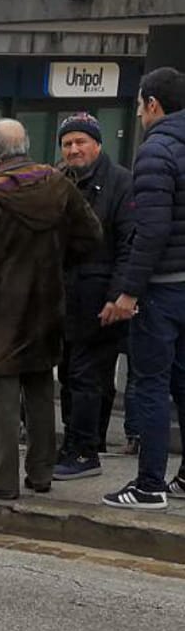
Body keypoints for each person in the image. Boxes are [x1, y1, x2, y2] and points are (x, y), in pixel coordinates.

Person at [0, 120, 101, 500]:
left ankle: (1, 477)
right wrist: (55, 263)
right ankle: (41, 471)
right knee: (39, 388)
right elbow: (91, 235)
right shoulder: (58, 184)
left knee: (1, 395)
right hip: (45, 304)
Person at [102, 67, 185, 510]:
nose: (137, 113)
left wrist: (129, 292)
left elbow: (150, 230)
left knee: (151, 384)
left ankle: (149, 485)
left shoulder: (156, 150)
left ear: (152, 104)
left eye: (137, 105)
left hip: (162, 289)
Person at [54, 113, 133, 481]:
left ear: (98, 144)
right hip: (65, 298)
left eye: (80, 142)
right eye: (67, 143)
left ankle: (83, 449)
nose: (73, 149)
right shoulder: (58, 180)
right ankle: (82, 441)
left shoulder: (120, 183)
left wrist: (119, 295)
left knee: (87, 376)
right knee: (72, 375)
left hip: (101, 298)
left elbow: (128, 246)